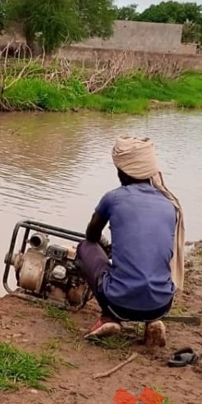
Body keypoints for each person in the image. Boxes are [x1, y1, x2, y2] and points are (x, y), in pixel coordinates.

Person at [76, 137, 185, 347]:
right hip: (162, 303)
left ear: (121, 172)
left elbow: (91, 235)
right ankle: (152, 321)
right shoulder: (169, 204)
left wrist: (106, 247)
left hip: (119, 302)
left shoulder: (113, 198)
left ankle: (109, 317)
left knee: (85, 247)